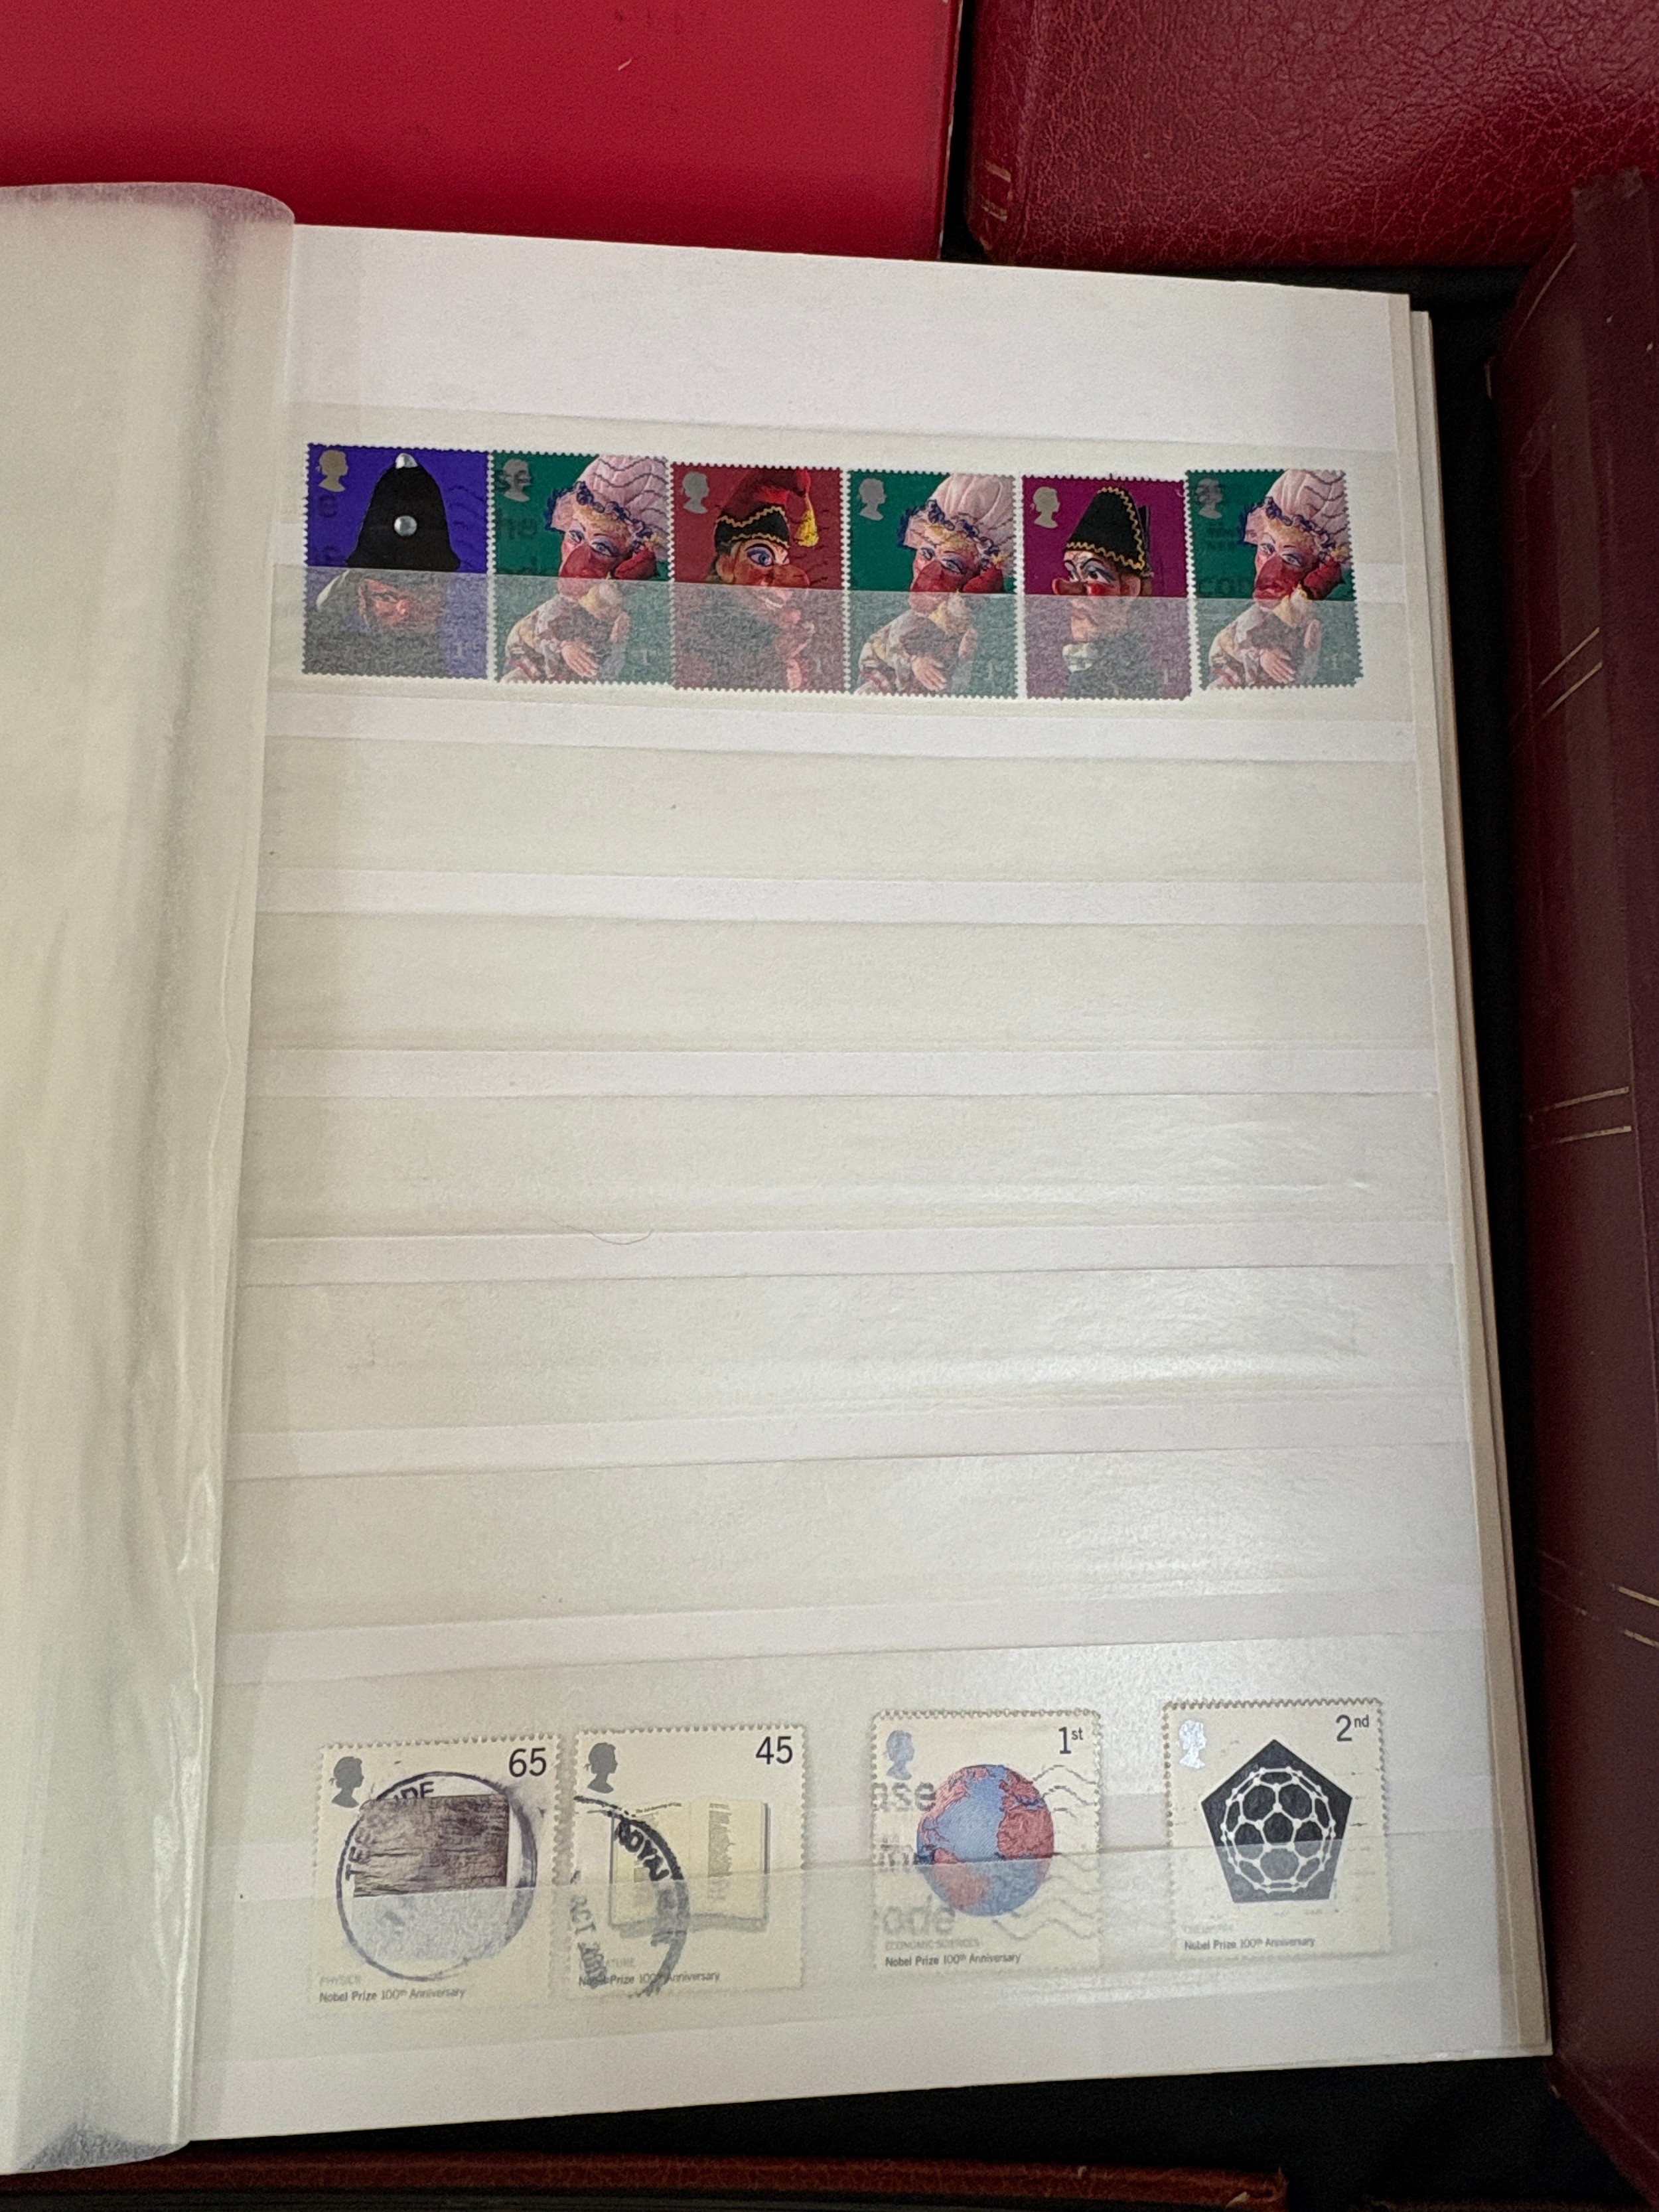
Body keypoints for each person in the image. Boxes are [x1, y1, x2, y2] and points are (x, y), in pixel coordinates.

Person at [502, 454, 668, 683]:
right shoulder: (562, 606)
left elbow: (606, 673)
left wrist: (617, 644)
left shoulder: (623, 617)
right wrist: (563, 647)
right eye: (575, 535)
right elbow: (534, 631)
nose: (579, 559)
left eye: (602, 547)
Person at [676, 469, 837, 690]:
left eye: (784, 562)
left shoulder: (777, 628)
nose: (780, 578)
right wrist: (774, 656)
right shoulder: (700, 630)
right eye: (762, 558)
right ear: (726, 566)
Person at [855, 472, 1013, 696]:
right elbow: (876, 649)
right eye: (926, 554)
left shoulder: (991, 629)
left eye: (952, 564)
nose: (930, 573)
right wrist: (914, 661)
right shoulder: (912, 620)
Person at [307, 453, 461, 678]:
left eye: (422, 595)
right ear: (363, 600)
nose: (404, 611)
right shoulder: (335, 658)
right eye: (387, 597)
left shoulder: (453, 666)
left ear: (443, 598)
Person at [1206, 467, 1350, 688]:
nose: (1270, 572)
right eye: (1266, 548)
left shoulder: (1327, 623)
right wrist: (1261, 655)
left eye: (1291, 558)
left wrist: (1310, 651)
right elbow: (1224, 646)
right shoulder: (1254, 618)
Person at [1047, 484, 1165, 698]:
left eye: (1093, 574)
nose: (1072, 592)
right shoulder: (1077, 661)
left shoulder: (1132, 670)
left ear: (1129, 589)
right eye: (1072, 574)